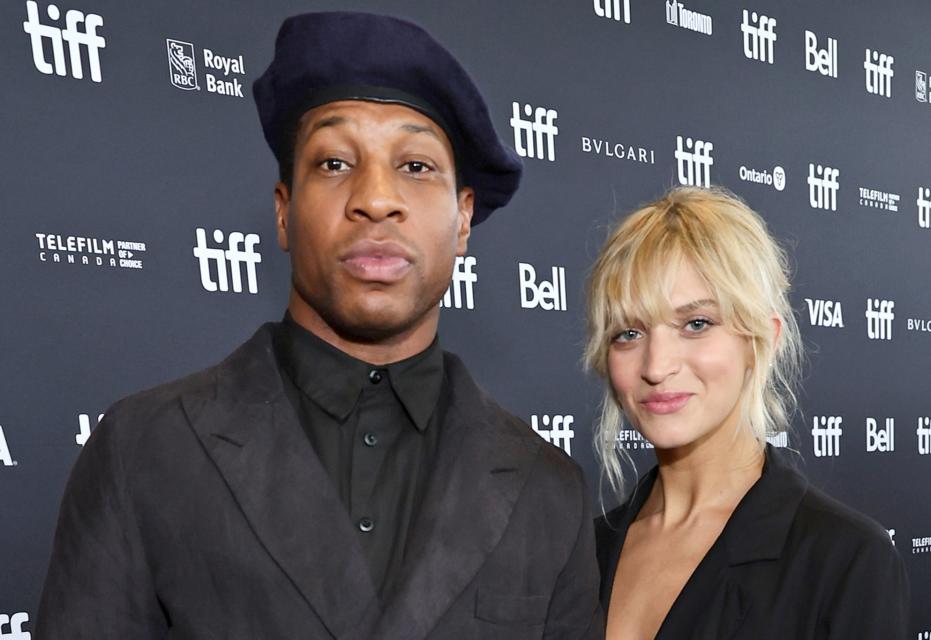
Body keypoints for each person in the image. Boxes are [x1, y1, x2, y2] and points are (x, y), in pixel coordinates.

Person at [36, 12, 601, 639]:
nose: (376, 198)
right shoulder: (141, 451)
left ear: (463, 220)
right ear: (283, 213)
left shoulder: (550, 492)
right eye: (334, 163)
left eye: (415, 166)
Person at [584, 186, 909, 639]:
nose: (656, 366)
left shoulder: (844, 559)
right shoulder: (584, 551)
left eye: (696, 324)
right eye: (628, 333)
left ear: (762, 341)